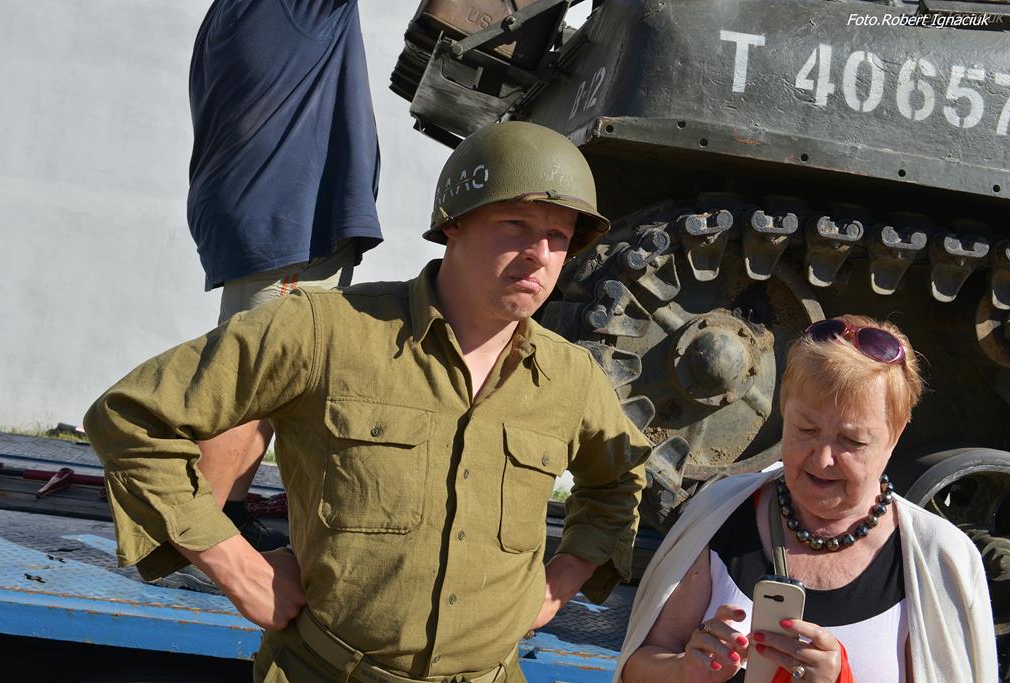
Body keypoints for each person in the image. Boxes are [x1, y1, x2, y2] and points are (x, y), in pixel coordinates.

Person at [84, 121, 652, 683]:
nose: (540, 254)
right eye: (516, 224)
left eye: (559, 236)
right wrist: (235, 565)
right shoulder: (325, 331)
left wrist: (560, 582)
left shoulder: (570, 377)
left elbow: (618, 481)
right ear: (453, 224)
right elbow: (131, 418)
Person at [616, 315, 997, 683]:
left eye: (851, 441)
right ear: (784, 412)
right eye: (806, 429)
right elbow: (639, 666)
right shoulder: (720, 514)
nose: (823, 458)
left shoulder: (937, 557)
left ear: (894, 436)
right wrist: (683, 672)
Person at [186, 0, 384, 548]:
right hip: (285, 212)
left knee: (271, 381)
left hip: (271, 209)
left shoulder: (231, 10)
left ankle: (226, 510)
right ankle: (195, 547)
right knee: (251, 385)